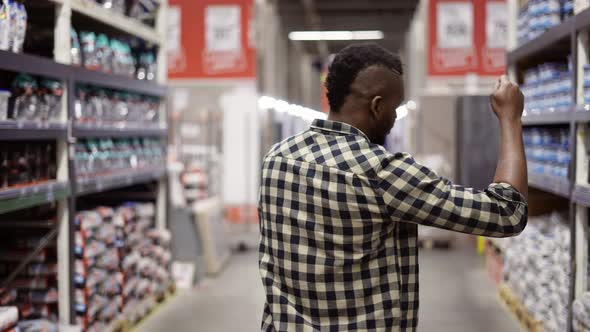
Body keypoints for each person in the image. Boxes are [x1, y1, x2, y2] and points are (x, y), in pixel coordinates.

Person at [258, 43, 527, 332]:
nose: (396, 117)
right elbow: (506, 212)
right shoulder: (381, 173)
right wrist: (510, 118)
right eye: (394, 107)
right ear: (376, 106)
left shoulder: (277, 158)